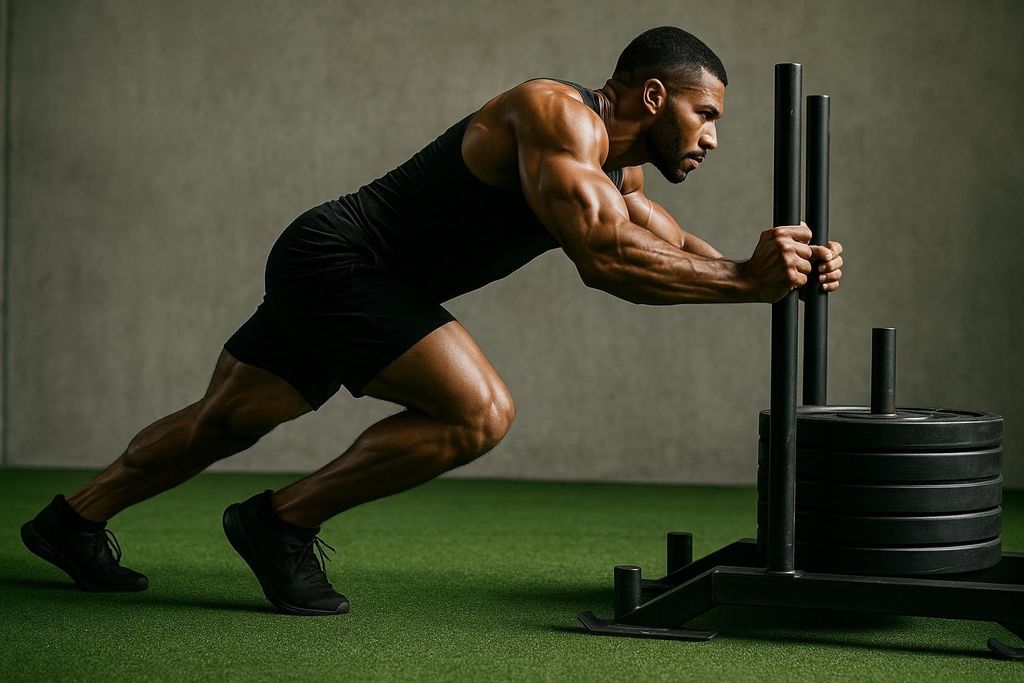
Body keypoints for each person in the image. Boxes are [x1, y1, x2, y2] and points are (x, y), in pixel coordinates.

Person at [20, 26, 844, 615]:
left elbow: (671, 245)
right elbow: (608, 262)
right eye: (706, 116)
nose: (711, 136)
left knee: (225, 420)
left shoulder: (617, 170)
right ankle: (278, 524)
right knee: (478, 412)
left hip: (347, 272)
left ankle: (71, 520)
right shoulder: (557, 116)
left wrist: (774, 265)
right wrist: (748, 283)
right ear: (654, 94)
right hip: (344, 262)